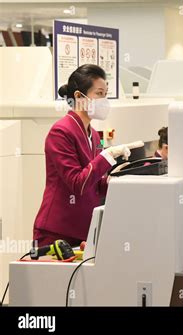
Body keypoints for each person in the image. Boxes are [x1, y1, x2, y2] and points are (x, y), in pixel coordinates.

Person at [33, 64, 142, 247]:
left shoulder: (95, 135)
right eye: (99, 93)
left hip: (84, 229)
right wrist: (107, 156)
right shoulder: (60, 132)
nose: (104, 100)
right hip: (57, 232)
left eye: (105, 94)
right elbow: (78, 183)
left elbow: (95, 184)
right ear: (78, 96)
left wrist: (121, 177)